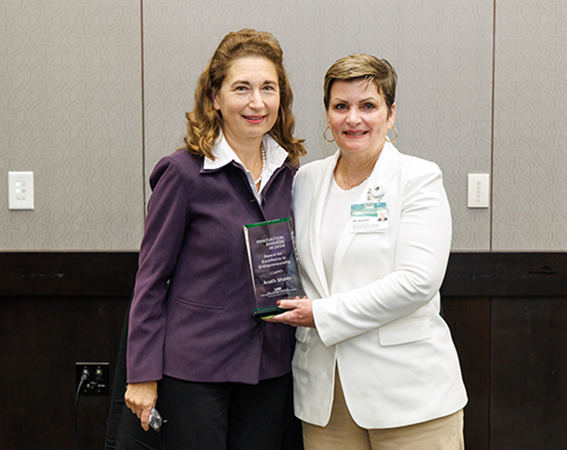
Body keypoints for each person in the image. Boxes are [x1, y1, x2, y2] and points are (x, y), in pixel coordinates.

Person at [269, 54, 468, 449]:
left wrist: (321, 314)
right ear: (327, 115)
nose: (353, 119)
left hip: (409, 396)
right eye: (341, 106)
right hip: (325, 397)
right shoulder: (305, 180)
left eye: (368, 106)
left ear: (390, 115)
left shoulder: (418, 177)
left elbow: (417, 282)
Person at [121, 29, 305, 450]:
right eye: (241, 88)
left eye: (268, 89)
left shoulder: (293, 174)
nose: (256, 102)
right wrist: (142, 373)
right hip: (196, 371)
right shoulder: (183, 173)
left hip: (271, 368)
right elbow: (150, 281)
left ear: (281, 99)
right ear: (214, 98)